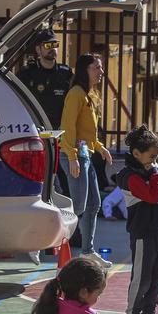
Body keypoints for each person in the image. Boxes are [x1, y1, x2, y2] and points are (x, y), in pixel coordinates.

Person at [114, 126, 158, 314]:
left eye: (157, 156)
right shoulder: (128, 176)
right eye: (152, 156)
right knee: (142, 277)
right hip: (142, 232)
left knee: (157, 277)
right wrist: (156, 173)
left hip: (157, 230)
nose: (156, 160)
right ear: (137, 154)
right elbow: (153, 197)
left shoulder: (152, 170)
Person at [59, 53, 114, 266]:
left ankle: (87, 251)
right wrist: (72, 158)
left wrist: (100, 148)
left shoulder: (90, 95)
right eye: (96, 68)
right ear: (84, 70)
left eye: (100, 68)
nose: (101, 72)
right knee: (80, 206)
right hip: (74, 156)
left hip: (86, 156)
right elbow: (68, 127)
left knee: (93, 204)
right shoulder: (76, 94)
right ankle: (57, 242)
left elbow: (88, 133)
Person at [17, 28, 74, 192]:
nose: (52, 48)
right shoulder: (27, 74)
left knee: (63, 178)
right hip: (35, 133)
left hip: (60, 134)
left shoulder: (65, 73)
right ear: (38, 49)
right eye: (47, 45)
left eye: (55, 44)